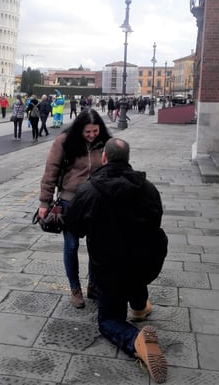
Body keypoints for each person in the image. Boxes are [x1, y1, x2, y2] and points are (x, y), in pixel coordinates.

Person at [65, 138, 168, 383]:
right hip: (144, 264)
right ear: (128, 158)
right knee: (135, 273)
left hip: (109, 270)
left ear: (104, 158)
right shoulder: (149, 189)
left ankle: (136, 341)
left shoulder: (89, 190)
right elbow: (156, 223)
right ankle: (141, 305)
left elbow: (74, 227)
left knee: (109, 320)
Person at [38, 109, 112, 308]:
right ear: (79, 129)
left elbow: (113, 169)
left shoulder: (105, 142)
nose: (91, 135)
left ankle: (93, 286)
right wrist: (45, 202)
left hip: (97, 203)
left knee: (96, 247)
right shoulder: (64, 141)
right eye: (87, 132)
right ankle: (75, 289)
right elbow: (51, 171)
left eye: (95, 131)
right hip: (70, 202)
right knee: (71, 246)